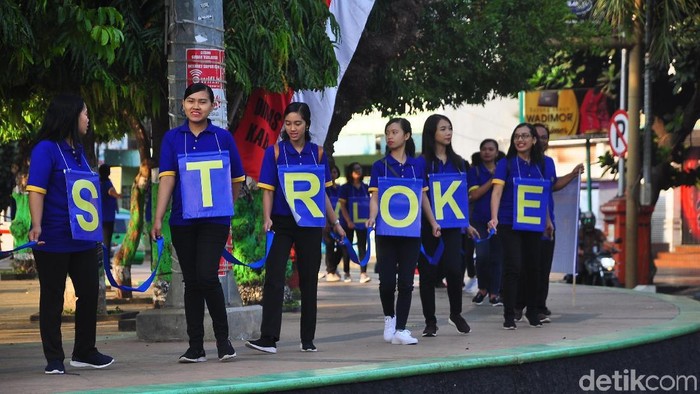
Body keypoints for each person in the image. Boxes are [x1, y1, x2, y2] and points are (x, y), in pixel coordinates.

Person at [151, 83, 244, 363]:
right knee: (191, 283)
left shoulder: (223, 138)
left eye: (202, 102)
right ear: (182, 105)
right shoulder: (172, 138)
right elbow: (167, 178)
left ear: (212, 106)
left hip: (214, 221)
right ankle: (195, 347)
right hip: (182, 220)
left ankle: (223, 340)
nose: (196, 106)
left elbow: (236, 180)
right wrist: (158, 217)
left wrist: (226, 208)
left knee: (206, 276)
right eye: (190, 101)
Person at [246, 102, 345, 354]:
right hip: (281, 222)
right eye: (288, 123)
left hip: (311, 223)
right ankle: (269, 338)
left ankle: (307, 339)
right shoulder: (275, 152)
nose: (292, 128)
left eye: (297, 123)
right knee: (274, 278)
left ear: (307, 125)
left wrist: (334, 222)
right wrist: (266, 218)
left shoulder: (318, 154)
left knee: (309, 280)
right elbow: (267, 189)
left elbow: (322, 194)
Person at [27, 93, 114, 374]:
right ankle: (54, 358)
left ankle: (85, 351)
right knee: (52, 297)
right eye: (85, 114)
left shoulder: (78, 151)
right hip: (52, 237)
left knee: (89, 292)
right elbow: (36, 190)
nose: (88, 119)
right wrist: (36, 225)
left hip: (83, 239)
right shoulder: (45, 149)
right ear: (70, 116)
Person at [366, 118, 438, 345]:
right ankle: (390, 316)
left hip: (411, 231)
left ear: (406, 136)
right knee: (387, 282)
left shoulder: (418, 166)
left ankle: (401, 329)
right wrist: (371, 216)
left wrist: (433, 222)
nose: (390, 136)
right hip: (386, 231)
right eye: (387, 132)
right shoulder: (380, 166)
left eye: (394, 132)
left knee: (406, 281)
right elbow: (375, 197)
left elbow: (423, 196)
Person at [488, 123, 555, 330]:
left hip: (533, 223)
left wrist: (547, 221)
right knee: (513, 266)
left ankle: (532, 312)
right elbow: (497, 193)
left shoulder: (540, 165)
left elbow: (541, 195)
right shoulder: (506, 164)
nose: (520, 140)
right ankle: (509, 314)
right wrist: (494, 217)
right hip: (509, 222)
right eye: (517, 136)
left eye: (525, 136)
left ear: (534, 140)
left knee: (533, 268)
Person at [417, 114, 476, 337]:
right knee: (427, 274)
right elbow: (421, 195)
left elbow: (460, 197)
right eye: (443, 128)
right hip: (427, 226)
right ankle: (430, 321)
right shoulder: (421, 163)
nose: (448, 132)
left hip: (452, 227)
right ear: (432, 133)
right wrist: (432, 222)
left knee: (454, 269)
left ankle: (456, 313)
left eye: (450, 128)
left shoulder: (459, 162)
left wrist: (466, 224)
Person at [524, 123, 584, 323]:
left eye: (545, 137)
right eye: (538, 136)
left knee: (542, 268)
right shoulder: (519, 162)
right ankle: (517, 305)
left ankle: (539, 306)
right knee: (521, 267)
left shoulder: (548, 162)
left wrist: (573, 174)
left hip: (546, 224)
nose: (541, 140)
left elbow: (553, 185)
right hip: (523, 224)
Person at [468, 139, 505, 307]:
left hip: (498, 219)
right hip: (478, 220)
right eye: (484, 149)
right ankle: (482, 288)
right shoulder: (474, 171)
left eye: (491, 149)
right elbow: (474, 195)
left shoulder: (504, 169)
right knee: (482, 256)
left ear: (497, 152)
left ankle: (494, 293)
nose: (487, 152)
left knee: (497, 257)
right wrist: (493, 179)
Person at [338, 161, 371, 283]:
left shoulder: (365, 187)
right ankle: (346, 272)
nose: (358, 171)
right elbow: (342, 206)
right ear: (350, 172)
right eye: (355, 169)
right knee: (347, 247)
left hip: (362, 223)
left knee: (363, 247)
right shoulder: (345, 188)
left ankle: (363, 273)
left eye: (360, 168)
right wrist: (348, 221)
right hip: (348, 223)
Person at [321, 163, 343, 282]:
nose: (333, 174)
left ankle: (333, 268)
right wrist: (327, 222)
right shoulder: (325, 189)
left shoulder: (340, 189)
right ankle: (330, 271)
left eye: (335, 172)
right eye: (331, 172)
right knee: (329, 246)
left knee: (342, 246)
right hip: (327, 223)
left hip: (339, 222)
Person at [99, 164, 121, 256]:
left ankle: (103, 261)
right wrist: (119, 195)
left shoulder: (98, 182)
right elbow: (111, 192)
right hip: (108, 217)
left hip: (100, 216)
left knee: (102, 241)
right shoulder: (107, 183)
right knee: (107, 241)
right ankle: (106, 262)